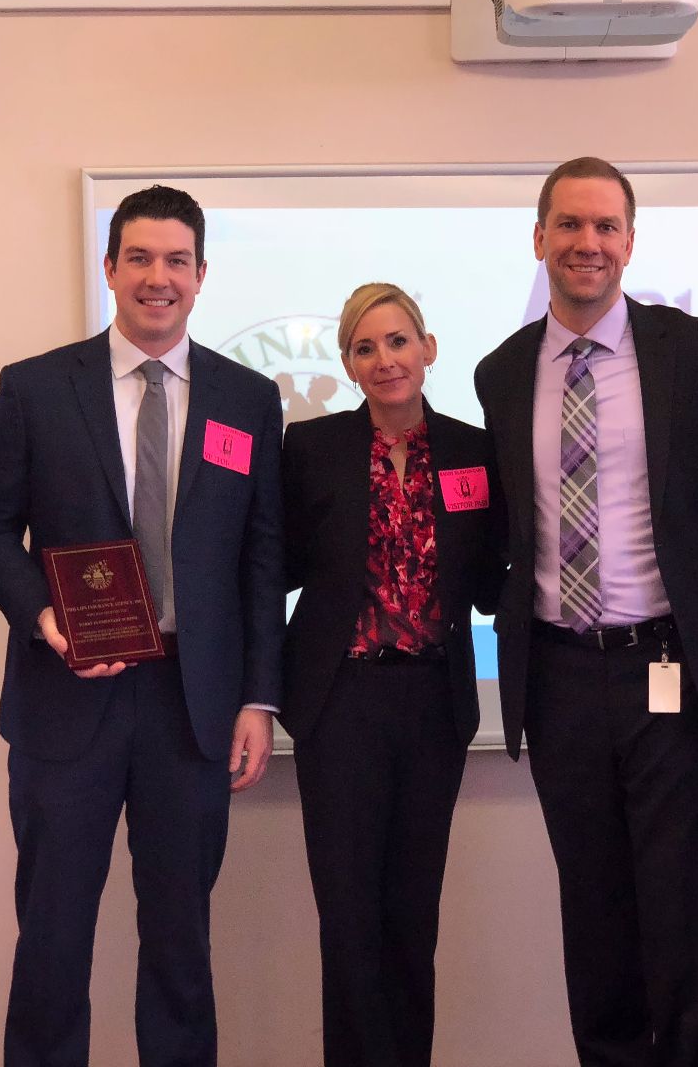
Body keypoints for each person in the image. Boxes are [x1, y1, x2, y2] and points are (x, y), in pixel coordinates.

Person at [0, 185, 284, 1067]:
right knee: (53, 945)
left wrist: (257, 699)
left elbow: (261, 560)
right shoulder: (35, 388)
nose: (157, 277)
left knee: (180, 946)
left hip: (194, 708)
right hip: (71, 700)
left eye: (176, 260)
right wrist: (41, 614)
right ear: (109, 268)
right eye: (139, 257)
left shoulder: (248, 399)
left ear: (202, 275)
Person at [473, 157, 698, 1066]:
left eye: (605, 227)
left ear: (631, 242)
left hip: (672, 670)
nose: (586, 244)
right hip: (559, 678)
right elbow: (499, 527)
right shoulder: (501, 372)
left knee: (682, 928)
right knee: (594, 924)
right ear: (539, 239)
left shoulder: (694, 348)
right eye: (569, 225)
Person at [281, 283, 505, 1067]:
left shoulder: (477, 452)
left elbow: (497, 580)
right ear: (347, 363)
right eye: (366, 348)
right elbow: (269, 567)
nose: (385, 360)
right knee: (348, 924)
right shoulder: (311, 450)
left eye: (399, 341)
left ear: (429, 348)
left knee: (412, 922)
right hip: (339, 704)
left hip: (432, 701)